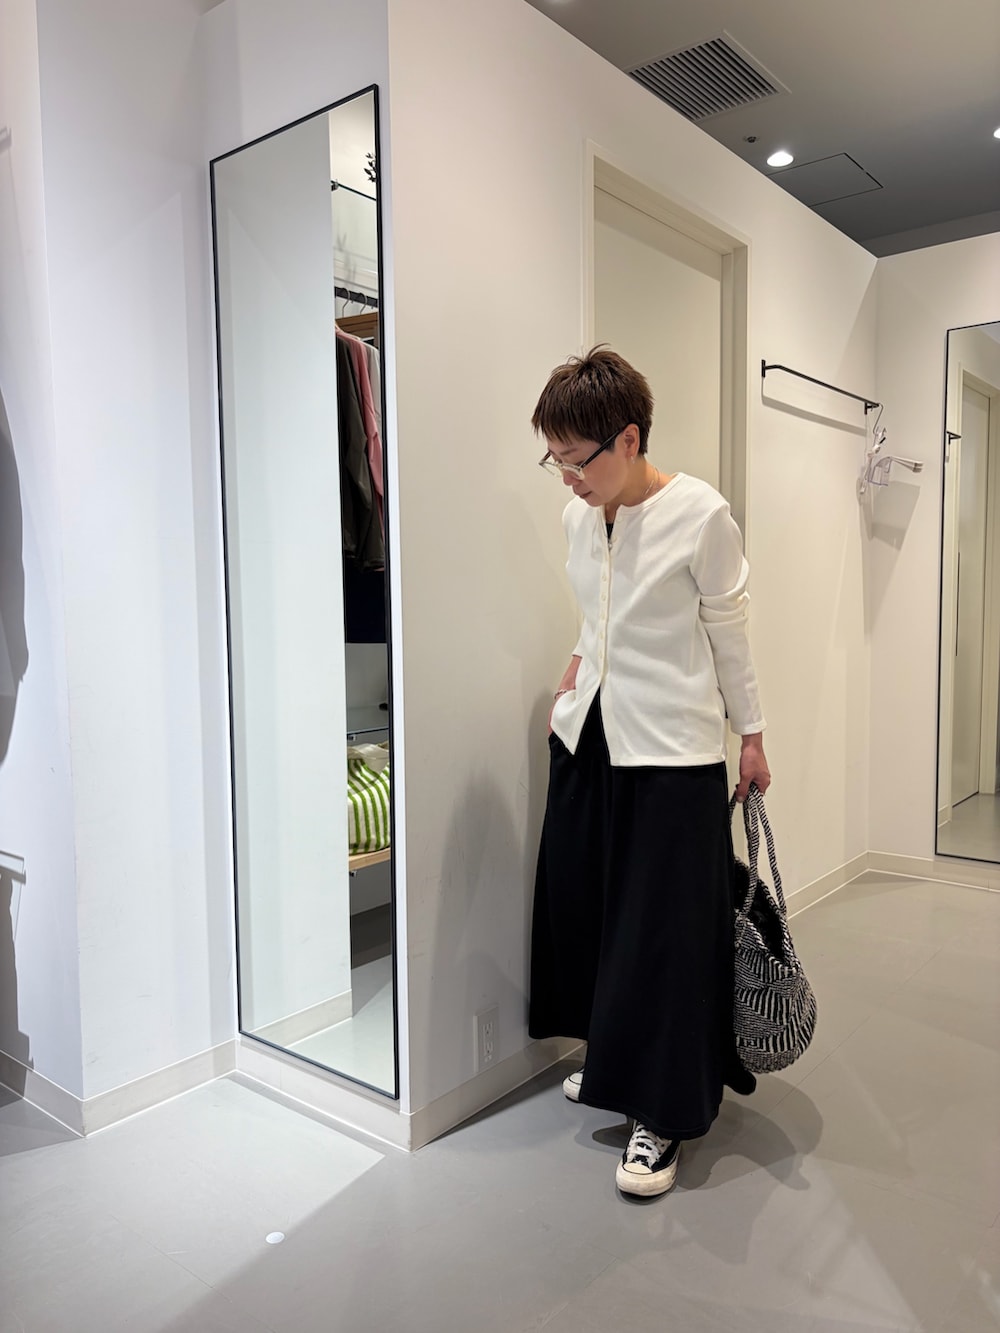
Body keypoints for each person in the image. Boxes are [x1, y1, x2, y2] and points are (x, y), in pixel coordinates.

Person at [528, 346, 770, 1199]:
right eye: (555, 460)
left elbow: (729, 631)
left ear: (628, 439)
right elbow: (598, 612)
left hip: (673, 752)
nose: (567, 478)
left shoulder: (701, 515)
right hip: (591, 737)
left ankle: (661, 1114)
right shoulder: (579, 516)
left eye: (577, 459)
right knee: (591, 908)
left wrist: (752, 734)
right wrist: (574, 667)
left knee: (665, 934)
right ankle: (614, 1061)